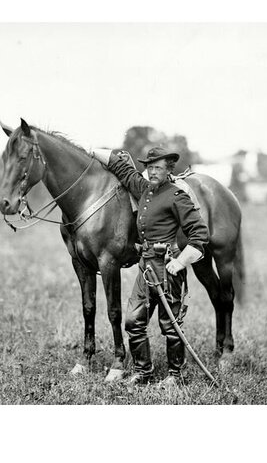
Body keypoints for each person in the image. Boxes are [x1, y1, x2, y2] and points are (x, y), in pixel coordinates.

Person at [92, 146, 209, 388]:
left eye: (158, 167)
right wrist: (89, 149)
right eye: (149, 167)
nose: (152, 171)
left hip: (168, 268)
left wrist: (180, 262)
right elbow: (122, 169)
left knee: (171, 325)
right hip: (146, 268)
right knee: (133, 322)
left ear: (168, 170)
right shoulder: (144, 190)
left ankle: (176, 376)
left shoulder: (177, 196)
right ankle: (143, 372)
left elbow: (199, 236)